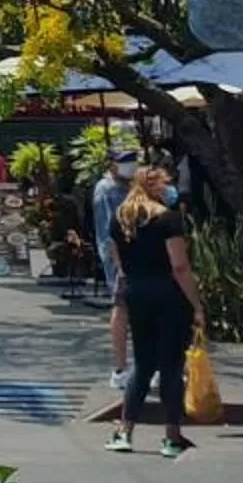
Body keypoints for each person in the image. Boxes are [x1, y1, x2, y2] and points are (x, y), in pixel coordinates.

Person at [107, 166, 205, 459]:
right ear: (156, 187)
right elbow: (179, 266)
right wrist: (197, 305)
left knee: (143, 363)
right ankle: (172, 436)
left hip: (137, 295)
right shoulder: (167, 219)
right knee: (172, 366)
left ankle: (125, 431)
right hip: (169, 297)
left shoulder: (120, 219)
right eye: (165, 185)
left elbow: (119, 265)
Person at [91, 149, 136, 389]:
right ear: (112, 164)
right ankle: (120, 368)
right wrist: (119, 264)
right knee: (122, 308)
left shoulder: (129, 186)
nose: (131, 166)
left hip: (135, 255)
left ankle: (141, 366)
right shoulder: (107, 190)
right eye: (125, 162)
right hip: (120, 257)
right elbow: (112, 231)